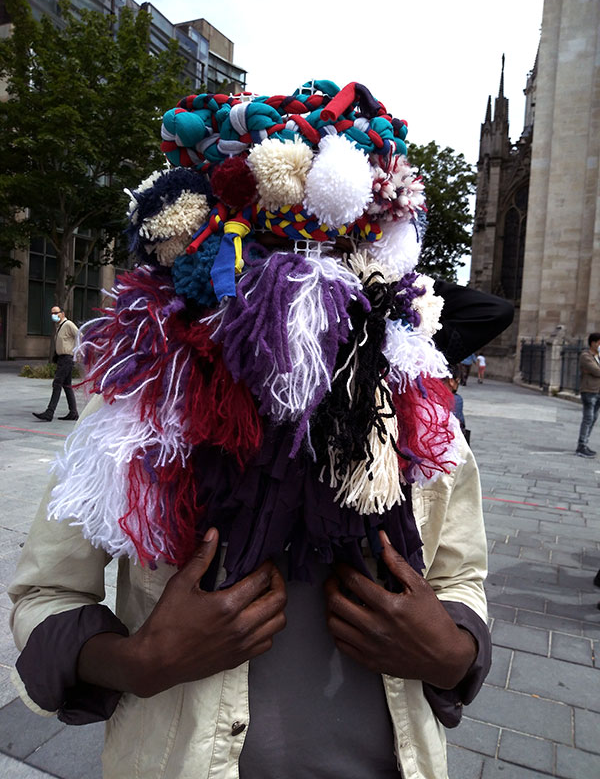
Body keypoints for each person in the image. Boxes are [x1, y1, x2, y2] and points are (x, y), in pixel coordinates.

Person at [10, 80, 512, 779]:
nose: (304, 283)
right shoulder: (142, 407)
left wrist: (452, 652)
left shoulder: (416, 406)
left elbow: (463, 578)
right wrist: (139, 660)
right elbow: (47, 596)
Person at [32, 306, 79, 422]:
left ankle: (49, 412)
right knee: (67, 386)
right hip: (62, 359)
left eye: (56, 313)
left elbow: (80, 336)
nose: (53, 315)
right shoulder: (58, 327)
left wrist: (77, 353)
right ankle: (73, 413)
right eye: (52, 313)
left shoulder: (68, 324)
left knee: (57, 383)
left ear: (62, 313)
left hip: (67, 359)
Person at [575, 332, 600, 458]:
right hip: (589, 390)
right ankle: (581, 445)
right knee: (588, 418)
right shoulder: (586, 355)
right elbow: (596, 370)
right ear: (593, 343)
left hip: (598, 391)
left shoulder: (598, 356)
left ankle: (585, 443)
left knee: (594, 418)